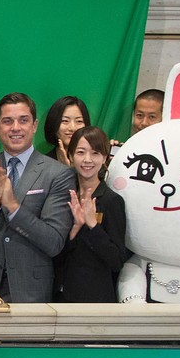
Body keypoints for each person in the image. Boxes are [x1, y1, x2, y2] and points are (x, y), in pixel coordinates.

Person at [0, 92, 75, 303]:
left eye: (23, 120)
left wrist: (13, 206)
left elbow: (54, 242)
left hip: (31, 290)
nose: (15, 127)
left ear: (34, 125)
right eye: (7, 121)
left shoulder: (58, 174)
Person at [54, 126, 128, 302]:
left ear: (104, 157)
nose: (87, 160)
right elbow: (54, 252)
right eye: (80, 152)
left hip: (95, 298)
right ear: (71, 156)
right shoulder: (64, 196)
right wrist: (75, 228)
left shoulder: (111, 201)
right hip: (59, 295)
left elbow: (117, 260)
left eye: (95, 153)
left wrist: (92, 226)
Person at [43, 96, 90, 166]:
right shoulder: (42, 165)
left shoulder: (94, 162)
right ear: (53, 123)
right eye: (65, 121)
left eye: (79, 121)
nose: (72, 128)